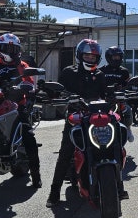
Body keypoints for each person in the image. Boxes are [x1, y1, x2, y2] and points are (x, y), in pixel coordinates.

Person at [47, 39, 128, 206]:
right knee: (66, 152)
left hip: (95, 116)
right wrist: (60, 95)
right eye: (87, 56)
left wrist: (113, 96)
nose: (90, 59)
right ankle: (54, 193)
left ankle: (117, 186)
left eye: (93, 57)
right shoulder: (69, 72)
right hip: (76, 116)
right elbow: (60, 91)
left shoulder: (100, 74)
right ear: (80, 55)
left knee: (115, 142)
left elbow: (104, 94)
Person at [0, 33, 42, 188]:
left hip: (16, 105)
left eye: (13, 48)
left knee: (28, 136)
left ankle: (36, 176)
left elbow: (30, 83)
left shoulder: (22, 66)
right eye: (6, 48)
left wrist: (27, 87)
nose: (9, 51)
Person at [100, 45, 134, 141]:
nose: (117, 59)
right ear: (109, 57)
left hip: (119, 99)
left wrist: (129, 90)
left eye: (118, 57)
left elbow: (128, 85)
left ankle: (128, 128)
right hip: (105, 99)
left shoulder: (124, 71)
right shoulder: (101, 70)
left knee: (128, 110)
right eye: (114, 57)